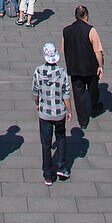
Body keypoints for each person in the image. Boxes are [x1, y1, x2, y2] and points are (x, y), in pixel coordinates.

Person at [32, 42, 72, 185]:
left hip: (45, 113)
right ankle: (61, 166)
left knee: (46, 143)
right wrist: (69, 111)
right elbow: (66, 94)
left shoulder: (38, 71)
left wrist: (37, 104)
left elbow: (35, 92)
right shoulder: (62, 72)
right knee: (61, 137)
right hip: (59, 111)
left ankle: (48, 173)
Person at [62, 4, 105, 129]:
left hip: (74, 67)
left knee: (78, 95)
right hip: (90, 67)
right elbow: (98, 50)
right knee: (93, 90)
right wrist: (100, 66)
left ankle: (82, 120)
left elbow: (65, 49)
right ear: (86, 16)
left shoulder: (66, 30)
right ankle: (94, 108)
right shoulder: (91, 30)